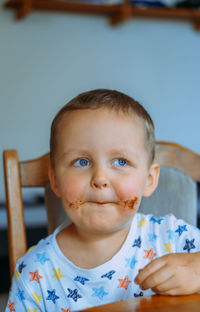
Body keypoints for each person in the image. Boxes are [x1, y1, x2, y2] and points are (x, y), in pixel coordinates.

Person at [6, 89, 200, 312]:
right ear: (55, 181)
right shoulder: (34, 273)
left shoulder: (173, 238)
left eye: (120, 161)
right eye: (81, 162)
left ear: (148, 180)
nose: (99, 179)